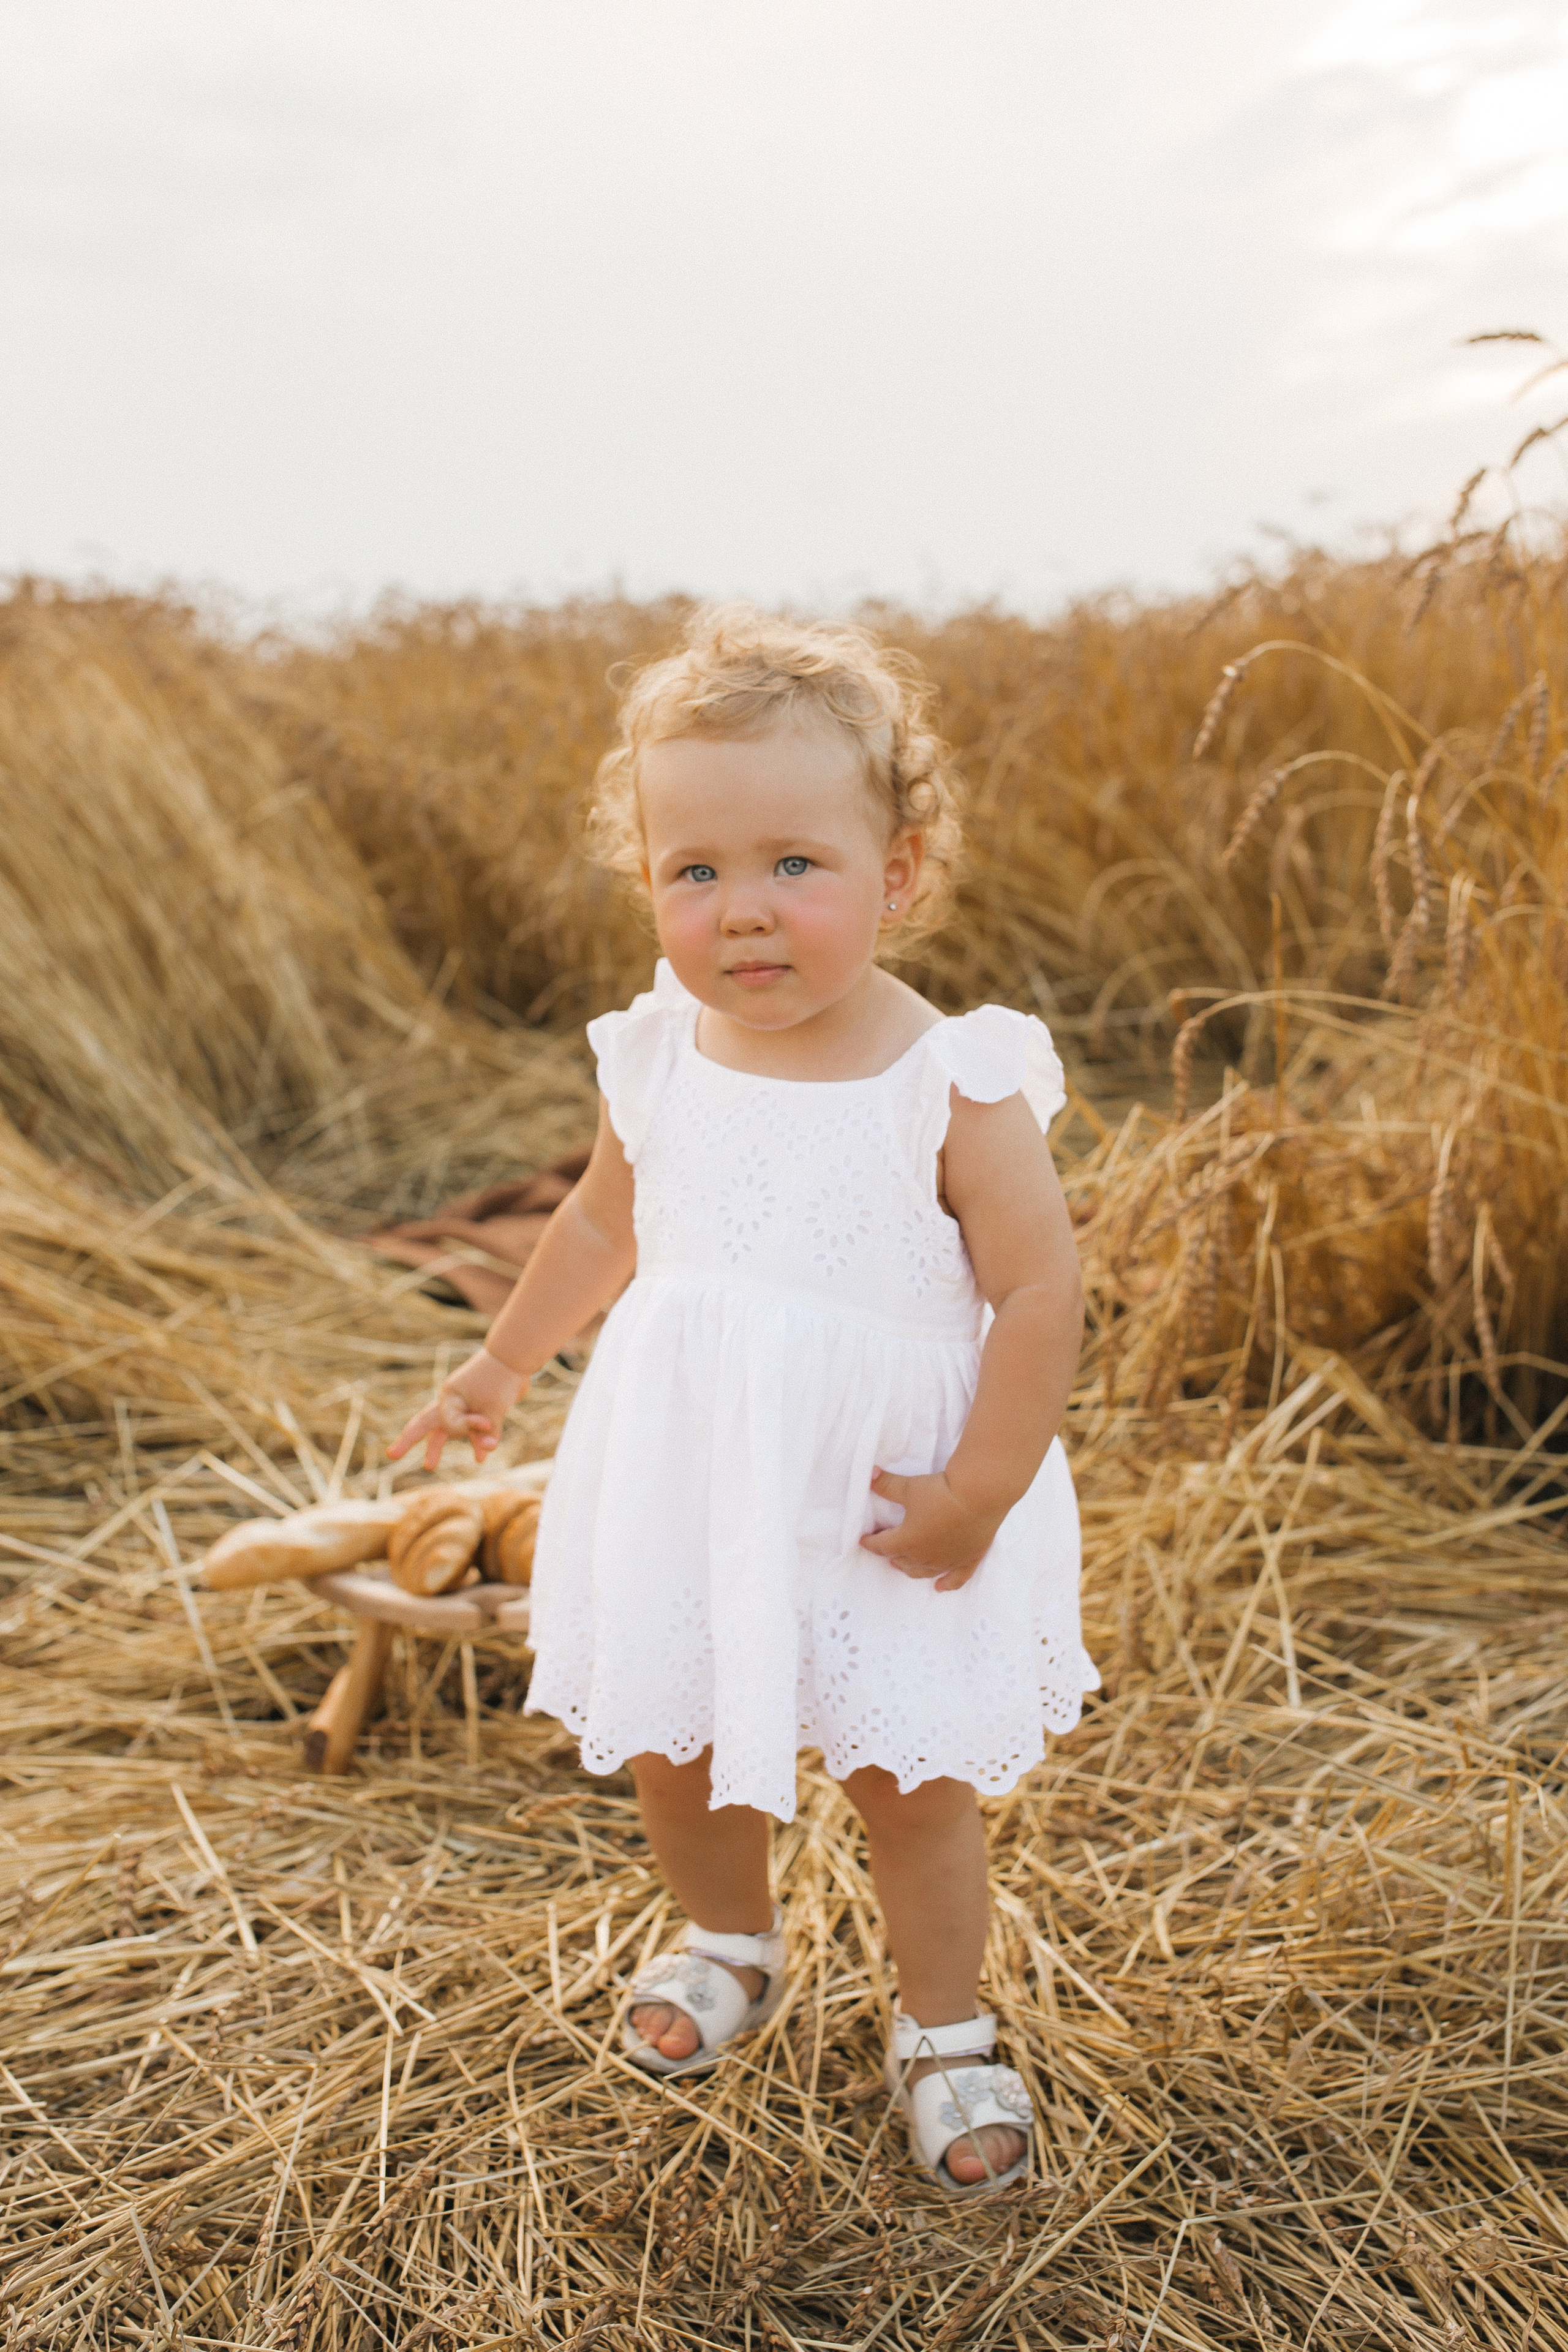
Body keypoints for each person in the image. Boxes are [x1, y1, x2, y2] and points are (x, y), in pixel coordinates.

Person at [388, 606, 1098, 2195]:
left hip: (884, 1500)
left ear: (900, 870)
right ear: (647, 879)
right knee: (685, 1745)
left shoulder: (954, 1080)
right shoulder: (657, 1055)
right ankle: (727, 1936)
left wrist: (983, 1483)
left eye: (795, 863)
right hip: (695, 1473)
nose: (743, 911)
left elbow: (1040, 1291)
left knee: (908, 1782)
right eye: (694, 870)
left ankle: (942, 2029)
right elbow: (598, 1224)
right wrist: (500, 1365)